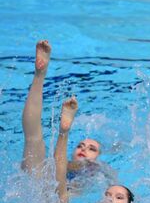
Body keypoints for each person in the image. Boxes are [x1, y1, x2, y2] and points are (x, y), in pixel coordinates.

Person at [21, 40, 112, 187]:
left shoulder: (100, 171)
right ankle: (39, 75)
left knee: (60, 191)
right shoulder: (63, 164)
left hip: (61, 200)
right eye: (80, 145)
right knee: (32, 140)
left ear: (99, 157)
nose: (83, 149)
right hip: (43, 186)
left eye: (92, 149)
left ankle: (64, 132)